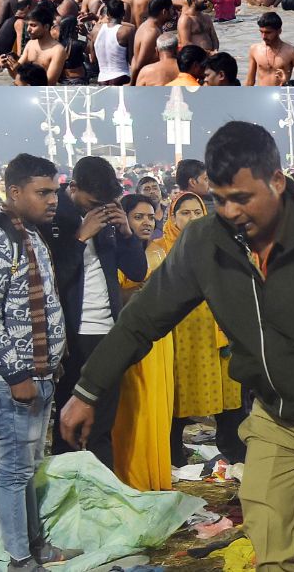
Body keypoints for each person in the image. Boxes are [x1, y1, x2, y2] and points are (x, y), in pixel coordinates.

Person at [58, 122, 294, 572]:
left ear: (276, 182)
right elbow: (142, 320)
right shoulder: (205, 244)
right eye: (220, 199)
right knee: (271, 552)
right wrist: (86, 390)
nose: (230, 211)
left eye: (242, 198)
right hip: (275, 421)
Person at [0, 153, 71, 572]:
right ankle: (20, 559)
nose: (53, 200)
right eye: (42, 192)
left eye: (55, 192)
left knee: (25, 468)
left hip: (35, 376)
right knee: (12, 471)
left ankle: (35, 547)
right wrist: (16, 372)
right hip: (9, 381)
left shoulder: (28, 232)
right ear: (14, 193)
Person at [47, 156, 148, 470]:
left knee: (102, 425)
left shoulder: (109, 219)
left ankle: (102, 502)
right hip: (72, 338)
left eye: (107, 203)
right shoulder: (54, 216)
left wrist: (128, 234)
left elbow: (137, 270)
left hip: (107, 333)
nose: (100, 208)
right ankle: (67, 503)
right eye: (94, 202)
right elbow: (54, 279)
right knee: (68, 426)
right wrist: (80, 237)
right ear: (73, 188)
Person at [161, 190, 246, 467]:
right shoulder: (162, 249)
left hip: (217, 334)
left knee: (228, 394)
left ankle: (233, 450)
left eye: (197, 212)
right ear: (173, 217)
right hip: (182, 336)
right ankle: (173, 453)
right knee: (181, 395)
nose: (192, 218)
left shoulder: (217, 245)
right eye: (185, 213)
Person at [110, 193, 175, 491]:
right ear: (124, 219)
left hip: (160, 339)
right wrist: (143, 292)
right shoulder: (116, 253)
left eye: (151, 216)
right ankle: (132, 480)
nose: (146, 222)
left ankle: (155, 479)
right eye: (138, 217)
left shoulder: (160, 252)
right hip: (132, 338)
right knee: (135, 409)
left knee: (158, 408)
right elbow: (116, 299)